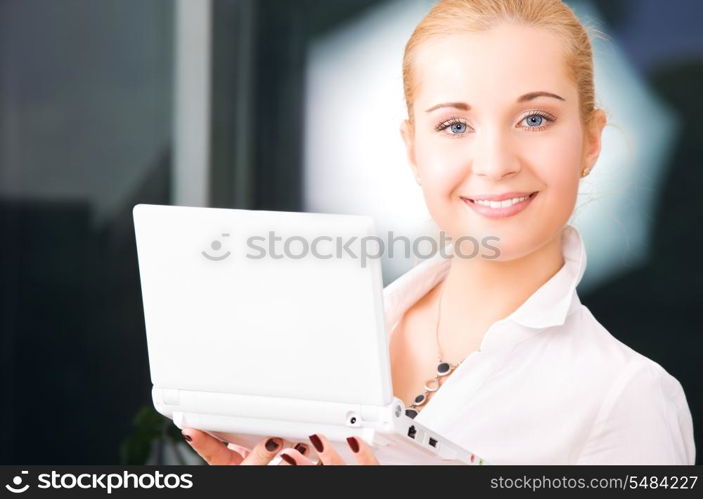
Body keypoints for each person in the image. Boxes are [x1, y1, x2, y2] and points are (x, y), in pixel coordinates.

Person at [181, 0, 696, 465]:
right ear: (413, 151)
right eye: (454, 126)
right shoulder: (309, 348)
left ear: (590, 142)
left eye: (535, 118)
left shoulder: (629, 398)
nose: (495, 164)